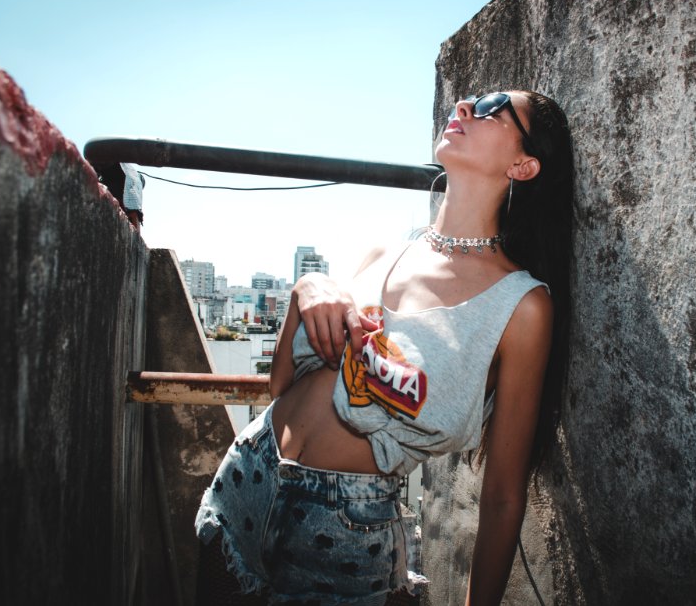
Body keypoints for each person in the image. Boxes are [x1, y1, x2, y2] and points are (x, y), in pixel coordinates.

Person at [194, 90, 573, 605]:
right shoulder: (381, 253)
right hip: (248, 477)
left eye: (491, 107)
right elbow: (282, 384)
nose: (463, 107)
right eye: (467, 101)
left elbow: (504, 496)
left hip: (344, 530)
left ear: (523, 165)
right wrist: (303, 294)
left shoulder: (521, 305)